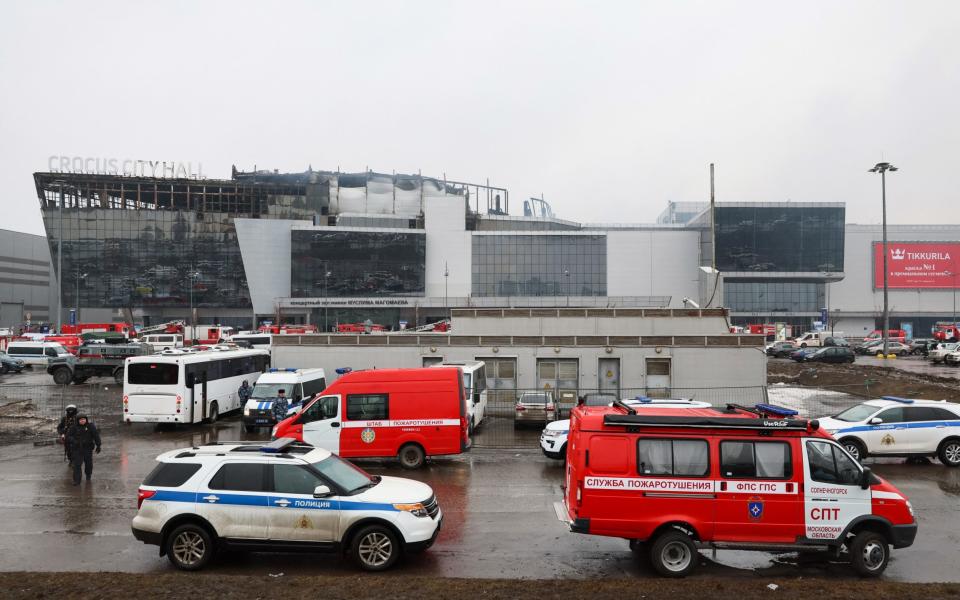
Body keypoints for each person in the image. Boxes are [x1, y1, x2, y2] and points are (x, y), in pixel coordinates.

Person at [66, 414, 101, 485]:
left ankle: (88, 475)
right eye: (81, 419)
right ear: (78, 420)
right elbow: (68, 436)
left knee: (88, 464)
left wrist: (98, 445)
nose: (82, 421)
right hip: (77, 449)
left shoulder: (90, 426)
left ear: (86, 419)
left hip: (87, 448)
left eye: (84, 419)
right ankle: (77, 480)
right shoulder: (74, 427)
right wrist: (73, 441)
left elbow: (96, 435)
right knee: (77, 465)